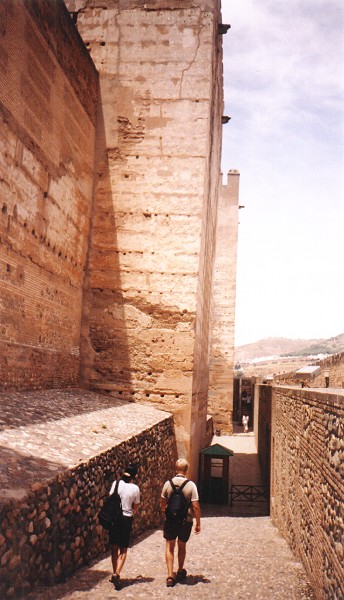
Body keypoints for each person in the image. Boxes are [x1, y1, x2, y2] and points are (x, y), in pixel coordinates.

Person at [160, 458, 201, 588]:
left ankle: (169, 576)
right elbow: (195, 506)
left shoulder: (168, 483)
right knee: (182, 546)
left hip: (171, 520)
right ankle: (180, 570)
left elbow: (163, 502)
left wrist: (163, 513)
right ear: (186, 470)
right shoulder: (191, 485)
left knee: (169, 546)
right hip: (185, 521)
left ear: (176, 469)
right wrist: (198, 522)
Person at [108, 464, 140, 590]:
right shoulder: (135, 488)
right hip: (126, 519)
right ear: (134, 476)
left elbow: (110, 498)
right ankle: (117, 573)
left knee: (114, 547)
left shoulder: (116, 484)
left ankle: (114, 571)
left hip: (114, 518)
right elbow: (136, 506)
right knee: (124, 549)